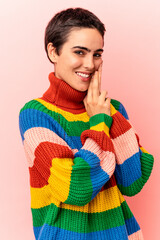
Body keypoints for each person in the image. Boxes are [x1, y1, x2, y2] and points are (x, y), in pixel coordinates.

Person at [19, 7, 154, 240]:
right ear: (53, 51)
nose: (90, 64)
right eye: (80, 52)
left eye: (97, 54)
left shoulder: (112, 109)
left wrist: (107, 113)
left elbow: (132, 181)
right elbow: (75, 188)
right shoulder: (35, 115)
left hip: (122, 234)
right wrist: (99, 122)